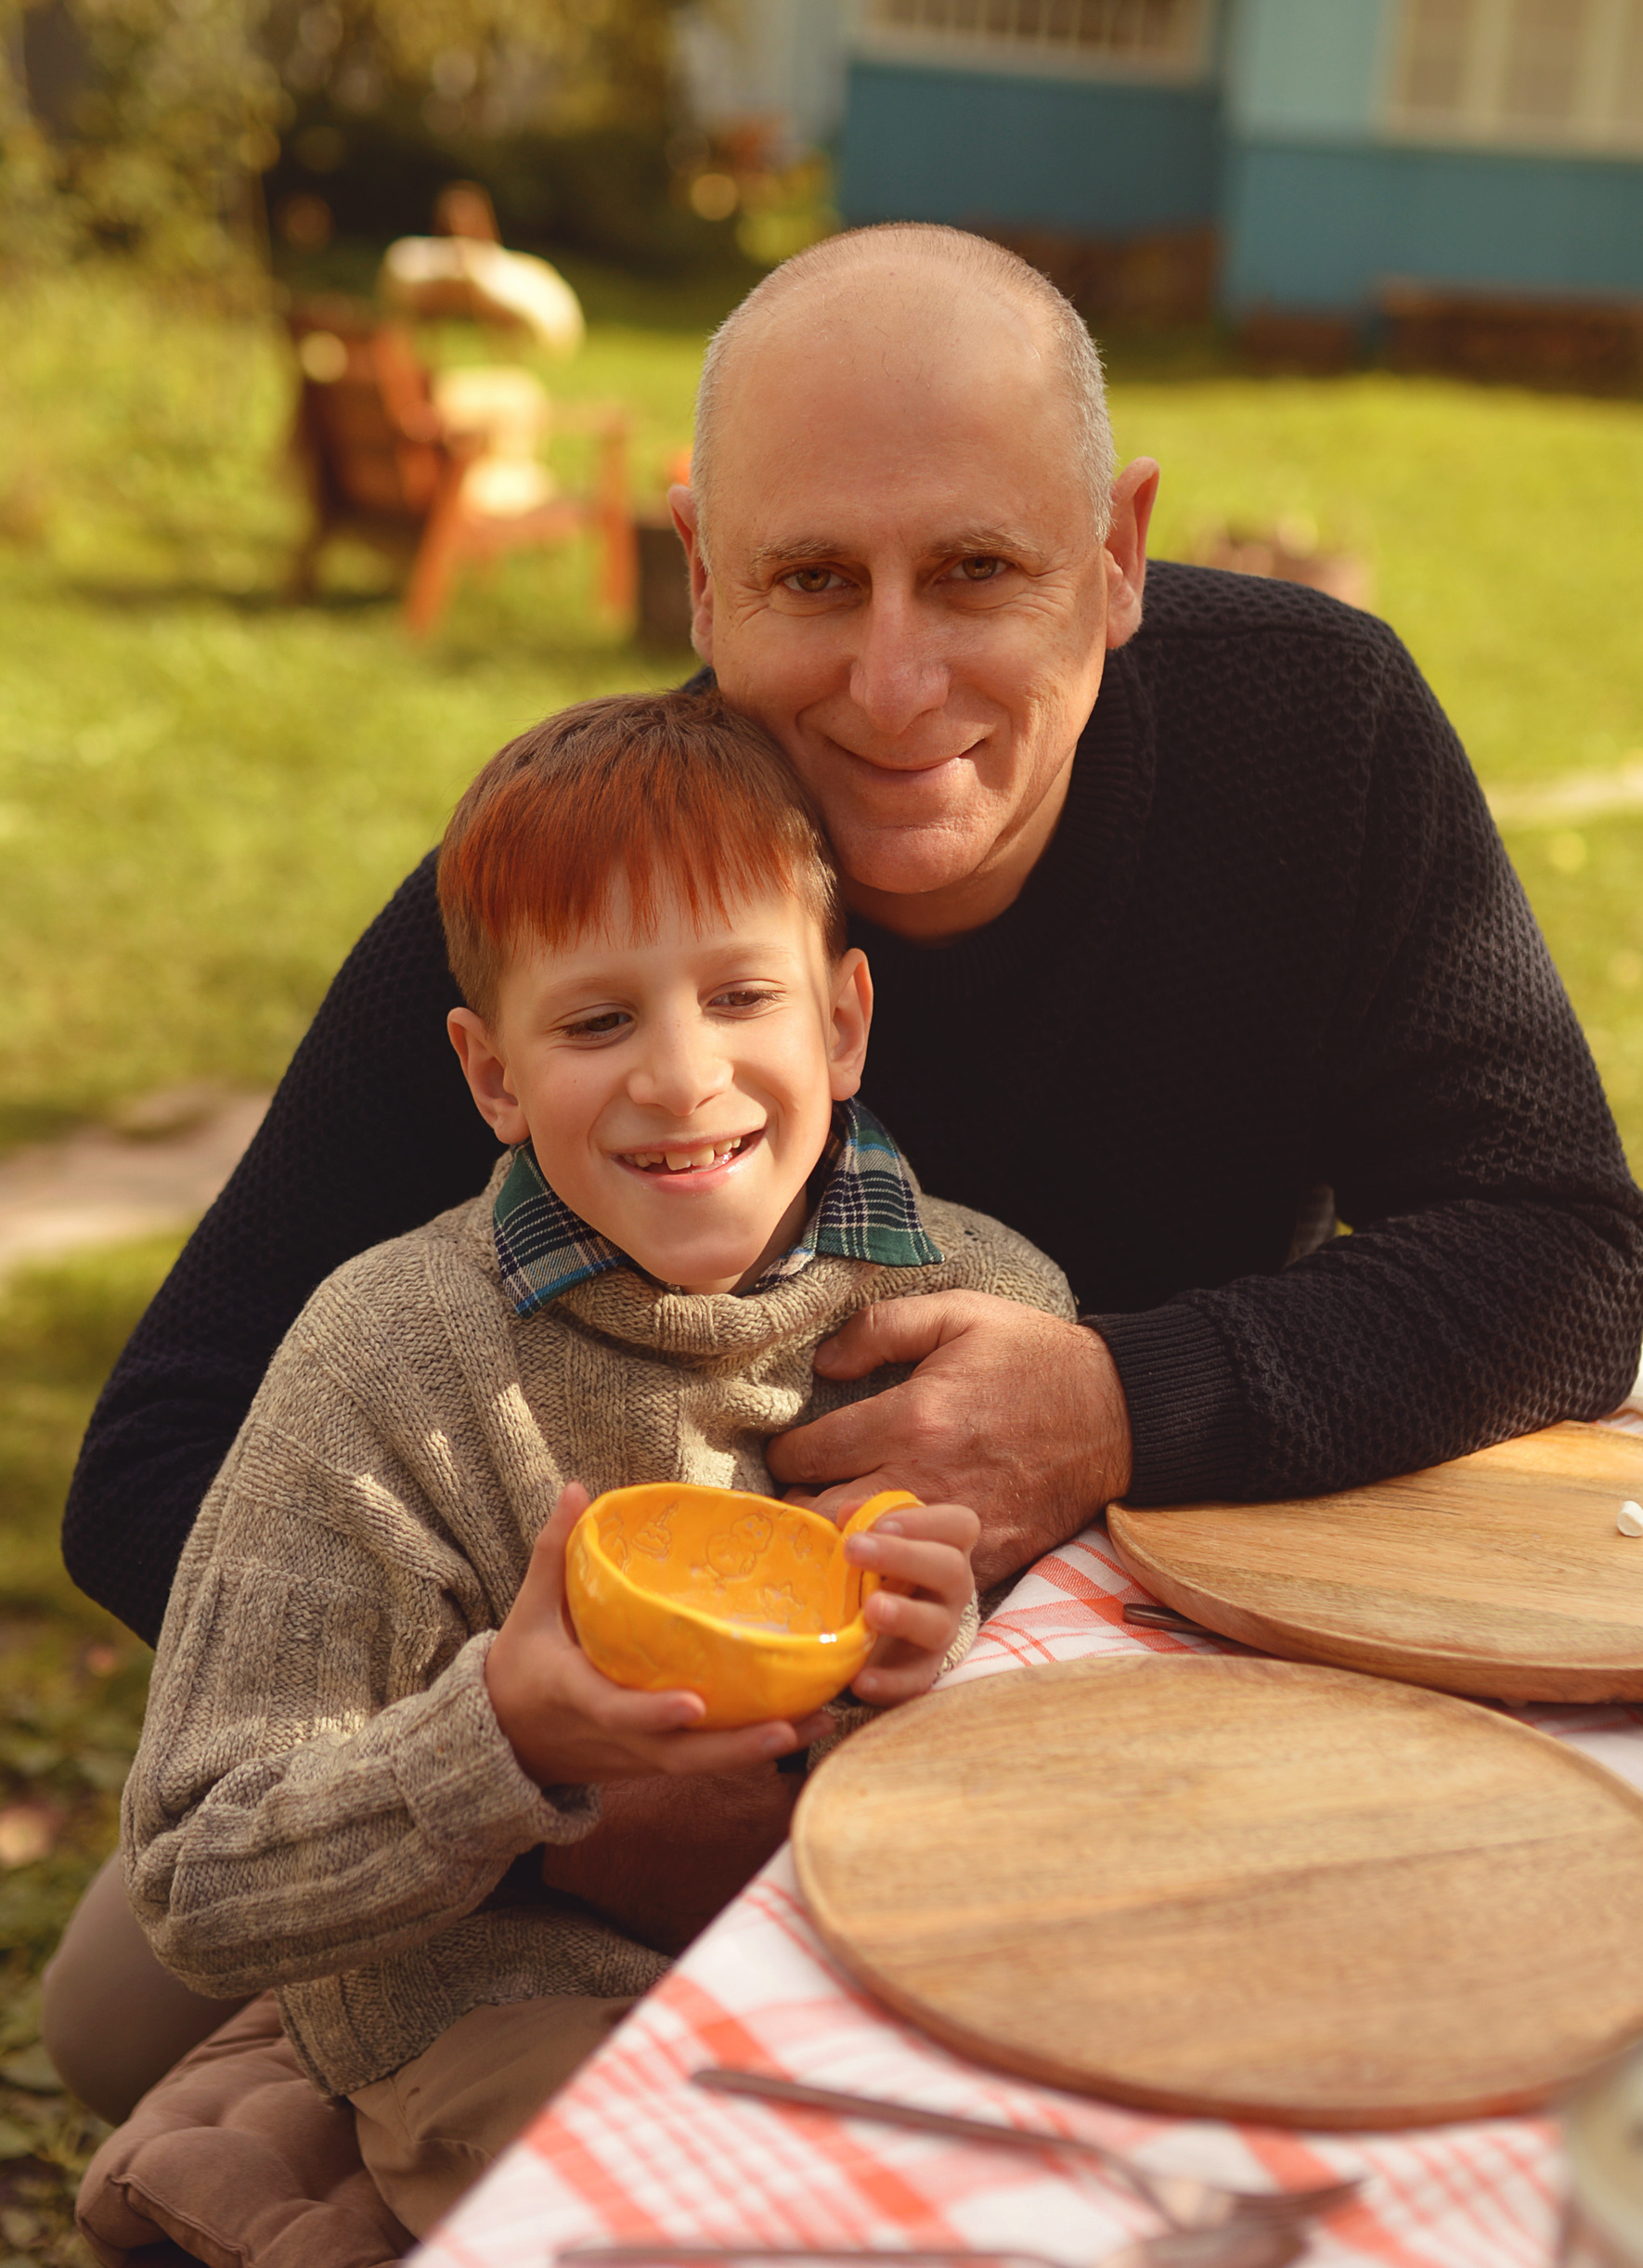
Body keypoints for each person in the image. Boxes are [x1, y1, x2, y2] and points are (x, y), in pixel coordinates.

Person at [48, 223, 1643, 2113]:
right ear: (699, 579)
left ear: (1118, 555)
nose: (893, 685)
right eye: (812, 577)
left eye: (976, 569)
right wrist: (572, 1782)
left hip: (1030, 1706)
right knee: (106, 2016)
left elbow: (1554, 1242)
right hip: (559, 1738)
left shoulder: (1315, 739)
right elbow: (156, 1445)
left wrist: (1120, 1398)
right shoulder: (582, 895)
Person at [84, 691, 1071, 2254]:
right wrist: (501, 1738)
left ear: (842, 1021)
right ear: (491, 1075)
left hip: (857, 1955)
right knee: (713, 2222)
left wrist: (937, 1648)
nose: (683, 1082)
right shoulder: (391, 1362)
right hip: (500, 1981)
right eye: (599, 1022)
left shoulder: (992, 1313)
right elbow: (200, 1877)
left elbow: (1078, 1739)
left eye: (741, 995)